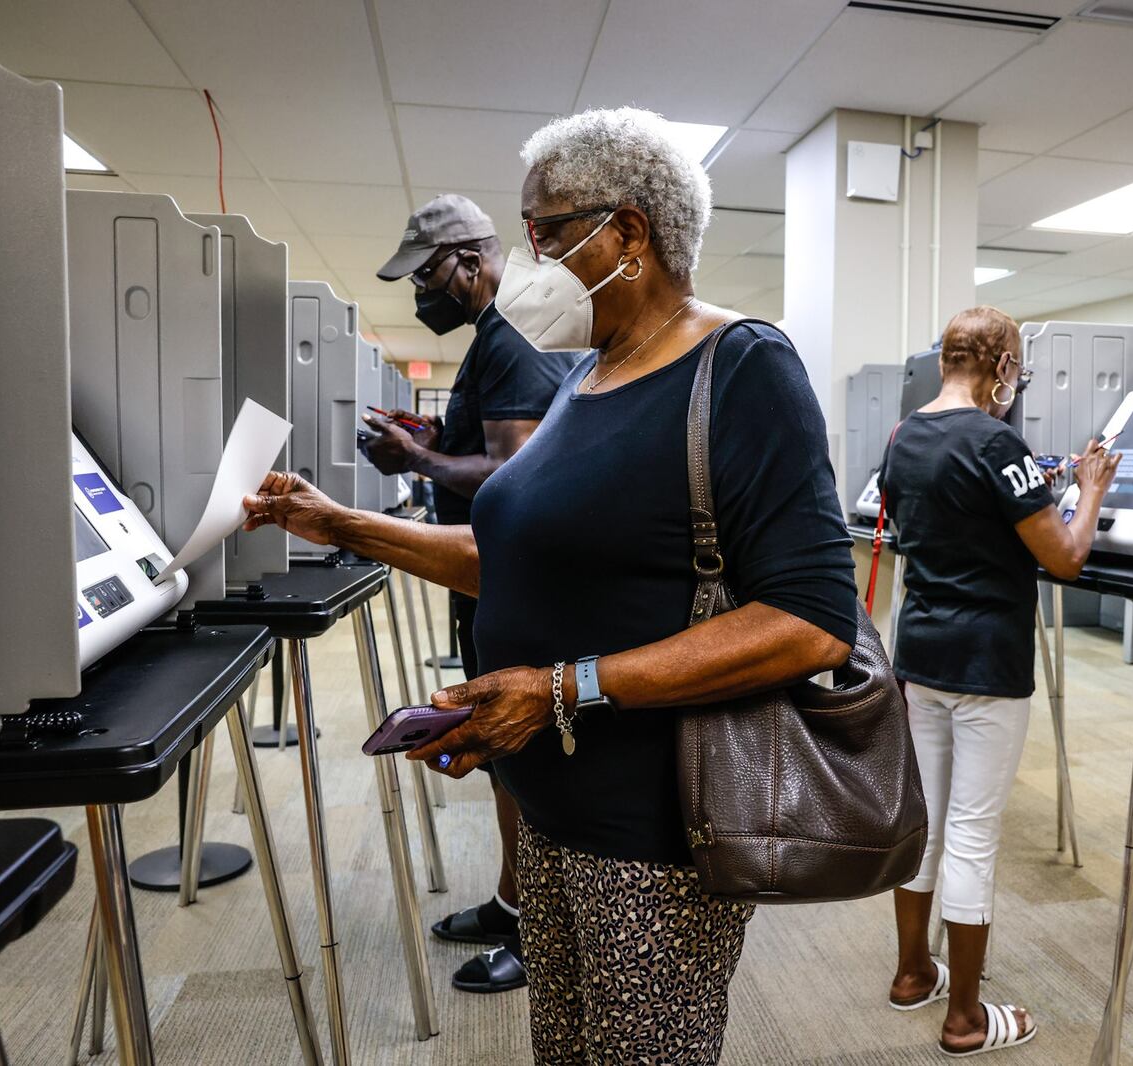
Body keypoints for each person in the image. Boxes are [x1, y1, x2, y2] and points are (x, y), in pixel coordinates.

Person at [243, 106, 858, 1065]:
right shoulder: (586, 376)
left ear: (630, 232)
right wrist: (340, 524)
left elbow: (814, 622)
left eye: (545, 230)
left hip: (652, 834)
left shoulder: (740, 367)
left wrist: (562, 687)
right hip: (551, 812)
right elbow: (523, 556)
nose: (525, 258)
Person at [879, 305, 1119, 1057]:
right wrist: (1089, 489)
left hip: (920, 656)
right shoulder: (997, 441)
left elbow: (951, 515)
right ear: (1003, 367)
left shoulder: (903, 436)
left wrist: (1028, 487)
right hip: (989, 662)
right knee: (974, 836)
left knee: (925, 825)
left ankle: (915, 974)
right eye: (1019, 367)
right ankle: (967, 1021)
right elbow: (1066, 558)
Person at [365, 193, 576, 994]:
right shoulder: (498, 333)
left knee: (523, 754)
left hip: (515, 579)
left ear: (469, 261)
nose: (421, 295)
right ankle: (510, 902)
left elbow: (518, 477)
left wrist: (418, 465)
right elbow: (490, 449)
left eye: (426, 277)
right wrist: (432, 443)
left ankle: (540, 933)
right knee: (500, 758)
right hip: (484, 573)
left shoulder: (514, 334)